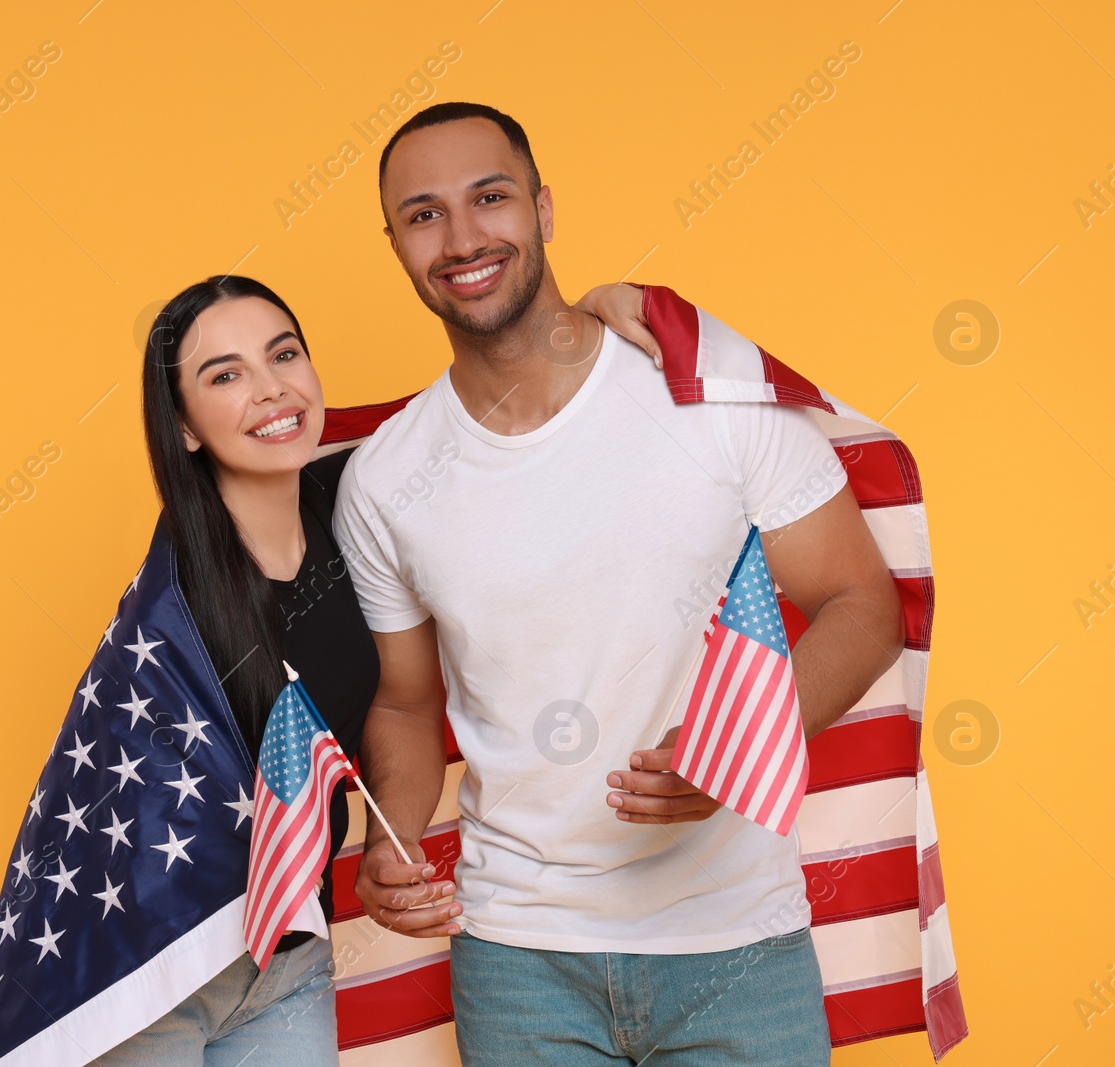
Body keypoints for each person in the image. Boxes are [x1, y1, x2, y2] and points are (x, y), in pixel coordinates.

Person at [338, 102, 906, 1065]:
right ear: (393, 243)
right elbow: (405, 700)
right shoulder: (387, 480)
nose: (465, 237)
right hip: (520, 953)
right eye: (424, 214)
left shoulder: (706, 399)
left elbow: (866, 606)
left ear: (545, 209)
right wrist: (387, 837)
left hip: (738, 945)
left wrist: (743, 746)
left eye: (492, 197)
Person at [85, 270, 659, 1065]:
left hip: (286, 951)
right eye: (225, 375)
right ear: (182, 426)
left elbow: (473, 409)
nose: (270, 389)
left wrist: (588, 314)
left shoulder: (351, 495)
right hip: (157, 956)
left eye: (283, 354)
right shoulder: (173, 605)